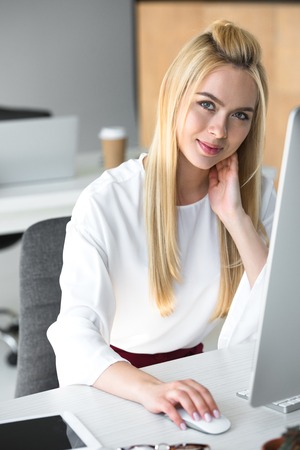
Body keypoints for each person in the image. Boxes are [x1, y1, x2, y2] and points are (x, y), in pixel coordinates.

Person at [48, 19, 276, 430]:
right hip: (118, 387)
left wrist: (236, 220)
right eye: (206, 104)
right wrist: (150, 388)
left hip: (203, 383)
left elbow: (278, 319)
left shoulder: (254, 193)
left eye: (239, 115)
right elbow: (73, 339)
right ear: (175, 96)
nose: (219, 131)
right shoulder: (108, 201)